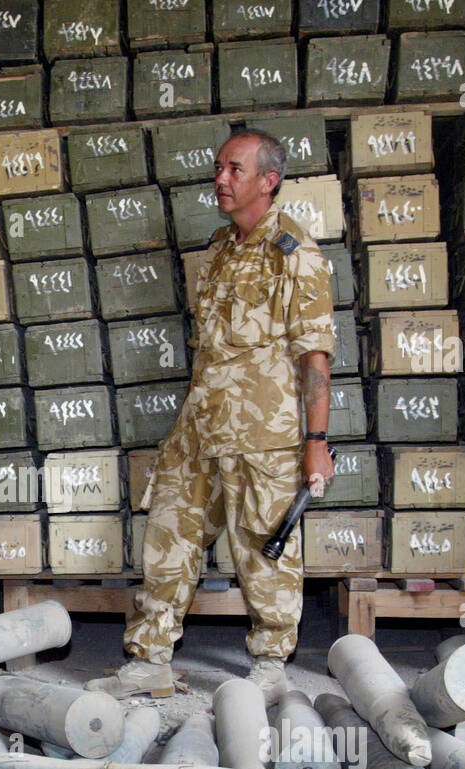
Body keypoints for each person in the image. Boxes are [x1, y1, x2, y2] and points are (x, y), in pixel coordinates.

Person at [88, 129, 336, 700]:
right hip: (199, 427)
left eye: (235, 169)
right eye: (219, 167)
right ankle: (151, 657)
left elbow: (314, 356)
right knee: (169, 536)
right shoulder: (221, 247)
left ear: (268, 182)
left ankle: (272, 664)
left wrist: (316, 439)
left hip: (261, 434)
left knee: (262, 550)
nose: (220, 179)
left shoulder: (295, 254)